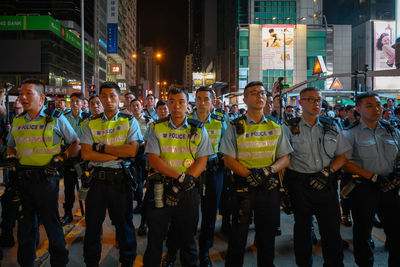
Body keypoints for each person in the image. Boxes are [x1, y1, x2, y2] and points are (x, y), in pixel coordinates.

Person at [6, 79, 80, 266]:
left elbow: (75, 143)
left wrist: (60, 159)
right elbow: (10, 147)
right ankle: (26, 262)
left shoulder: (56, 118)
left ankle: (59, 261)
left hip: (47, 180)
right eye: (22, 93)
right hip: (23, 181)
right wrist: (12, 158)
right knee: (25, 226)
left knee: (51, 224)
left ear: (42, 98)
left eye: (29, 93)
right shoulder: (18, 120)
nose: (23, 97)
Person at [221, 81, 292, 267]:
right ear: (244, 99)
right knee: (238, 237)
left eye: (262, 93)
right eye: (253, 93)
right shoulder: (234, 126)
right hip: (242, 187)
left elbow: (285, 158)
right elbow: (228, 159)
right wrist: (249, 175)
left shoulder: (276, 126)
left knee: (267, 238)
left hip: (268, 186)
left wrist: (267, 171)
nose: (259, 96)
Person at [143, 87, 213, 267]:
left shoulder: (198, 129)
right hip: (161, 189)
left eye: (181, 102)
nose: (176, 106)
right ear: (167, 104)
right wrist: (180, 178)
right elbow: (154, 160)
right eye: (172, 102)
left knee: (188, 240)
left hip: (187, 193)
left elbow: (202, 162)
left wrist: (183, 182)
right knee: (155, 240)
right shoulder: (156, 127)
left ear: (188, 105)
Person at [283, 87, 349, 267]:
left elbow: (342, 156)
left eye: (318, 100)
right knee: (303, 231)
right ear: (300, 102)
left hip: (326, 182)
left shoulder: (332, 125)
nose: (316, 103)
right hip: (300, 185)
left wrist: (327, 173)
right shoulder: (289, 127)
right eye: (310, 99)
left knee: (331, 231)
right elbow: (284, 159)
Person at [163, 87, 227, 267]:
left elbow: (227, 144)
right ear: (194, 101)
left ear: (213, 101)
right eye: (198, 99)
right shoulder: (187, 121)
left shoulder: (222, 120)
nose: (202, 102)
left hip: (213, 170)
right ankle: (172, 250)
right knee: (180, 213)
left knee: (209, 213)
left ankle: (205, 251)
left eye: (206, 99)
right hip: (190, 171)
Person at [80, 81, 141, 267]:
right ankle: (91, 262)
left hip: (120, 182)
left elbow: (132, 151)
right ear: (99, 98)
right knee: (92, 227)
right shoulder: (91, 123)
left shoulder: (129, 120)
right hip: (96, 182)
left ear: (119, 98)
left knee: (124, 226)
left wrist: (103, 149)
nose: (108, 100)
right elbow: (86, 153)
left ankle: (127, 261)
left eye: (112, 96)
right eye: (104, 96)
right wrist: (116, 153)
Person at [342, 92, 400, 267]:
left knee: (397, 233)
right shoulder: (349, 133)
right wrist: (373, 177)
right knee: (363, 234)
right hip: (363, 189)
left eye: (378, 104)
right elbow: (345, 162)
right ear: (358, 109)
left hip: (390, 187)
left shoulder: (392, 130)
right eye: (369, 105)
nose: (376, 108)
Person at [61, 92, 90, 224]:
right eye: (72, 101)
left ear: (83, 103)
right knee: (68, 188)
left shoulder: (87, 117)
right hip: (69, 155)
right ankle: (68, 213)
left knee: (86, 186)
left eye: (77, 101)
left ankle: (90, 214)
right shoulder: (64, 117)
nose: (74, 103)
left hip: (83, 157)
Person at [0, 97, 24, 247]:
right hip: (15, 170)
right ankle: (7, 234)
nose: (17, 111)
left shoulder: (40, 121)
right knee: (7, 200)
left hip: (32, 172)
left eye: (19, 108)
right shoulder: (16, 121)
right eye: (15, 109)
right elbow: (9, 145)